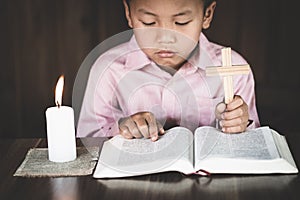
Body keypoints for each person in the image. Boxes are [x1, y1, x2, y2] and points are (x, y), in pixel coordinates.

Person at [77, 0, 260, 141]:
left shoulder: (233, 69)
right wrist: (123, 129)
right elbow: (88, 139)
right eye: (149, 22)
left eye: (181, 22)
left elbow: (253, 140)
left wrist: (239, 123)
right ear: (129, 13)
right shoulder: (109, 70)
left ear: (207, 15)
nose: (165, 38)